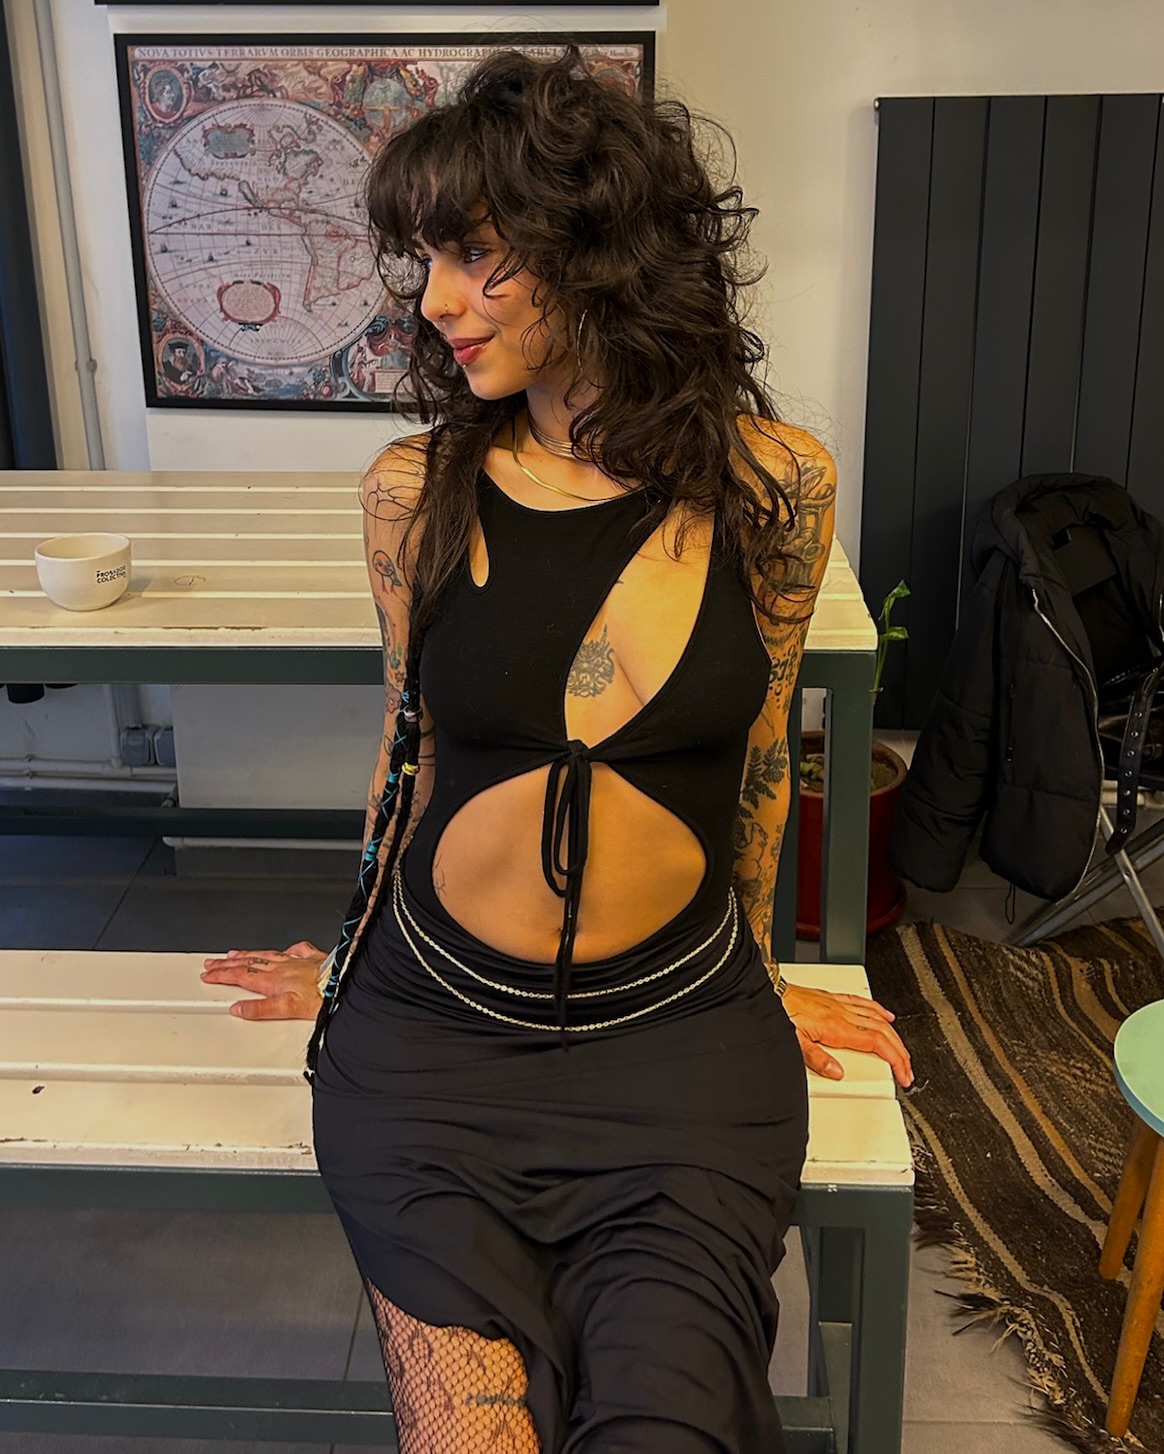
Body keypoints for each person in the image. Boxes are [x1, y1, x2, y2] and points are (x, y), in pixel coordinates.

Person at [202, 47, 911, 1454]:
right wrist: (346, 954)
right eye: (428, 260)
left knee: (670, 1422)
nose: (437, 300)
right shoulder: (416, 493)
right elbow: (407, 751)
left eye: (479, 255)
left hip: (678, 1049)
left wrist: (764, 976)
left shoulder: (776, 486)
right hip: (431, 1047)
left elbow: (759, 764)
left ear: (603, 252)